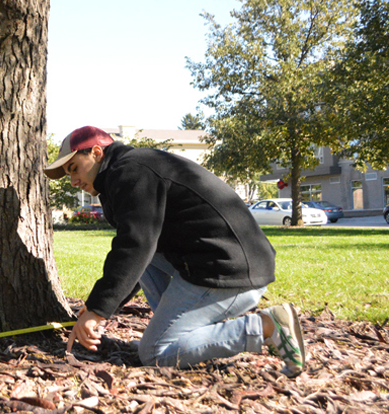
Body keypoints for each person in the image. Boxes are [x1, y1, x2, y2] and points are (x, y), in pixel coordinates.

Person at [45, 126, 305, 377]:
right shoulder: (128, 170)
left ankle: (267, 326)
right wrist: (99, 308)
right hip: (221, 262)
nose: (73, 180)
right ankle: (173, 333)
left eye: (74, 168)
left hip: (230, 270)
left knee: (155, 353)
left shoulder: (131, 172)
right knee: (144, 255)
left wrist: (96, 310)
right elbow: (140, 254)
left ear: (97, 153)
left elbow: (135, 246)